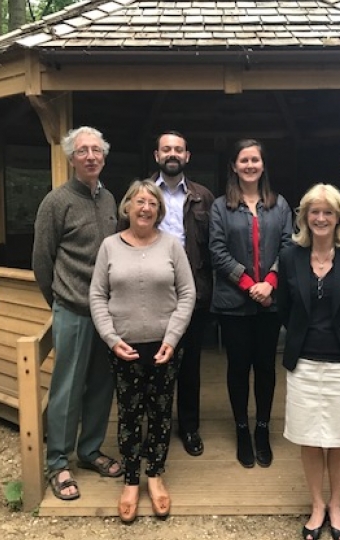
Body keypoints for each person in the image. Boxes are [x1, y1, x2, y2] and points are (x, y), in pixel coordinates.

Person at [89, 179, 196, 523]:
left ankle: (155, 474)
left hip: (165, 345)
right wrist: (110, 337)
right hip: (123, 346)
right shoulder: (109, 246)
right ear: (127, 207)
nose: (145, 207)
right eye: (139, 201)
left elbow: (187, 294)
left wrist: (173, 338)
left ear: (159, 211)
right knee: (130, 413)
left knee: (161, 411)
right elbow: (97, 296)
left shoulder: (171, 246)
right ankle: (132, 478)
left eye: (152, 202)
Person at [277, 183, 340, 540]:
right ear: (304, 217)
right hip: (303, 361)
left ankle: (336, 504)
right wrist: (306, 337)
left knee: (338, 438)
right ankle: (316, 504)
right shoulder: (290, 255)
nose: (320, 218)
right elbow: (285, 308)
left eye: (328, 212)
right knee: (308, 436)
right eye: (313, 212)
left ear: (338, 217)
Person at [32, 126, 122, 501]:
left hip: (109, 313)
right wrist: (58, 299)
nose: (90, 156)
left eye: (95, 150)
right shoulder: (56, 202)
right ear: (72, 159)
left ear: (103, 156)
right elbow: (42, 260)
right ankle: (58, 461)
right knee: (66, 388)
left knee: (102, 385)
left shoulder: (110, 199)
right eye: (82, 151)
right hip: (73, 309)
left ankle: (89, 451)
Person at [209, 138, 293, 468]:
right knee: (238, 368)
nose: (249, 165)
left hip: (270, 303)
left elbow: (288, 246)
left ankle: (262, 429)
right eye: (243, 160)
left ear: (262, 165)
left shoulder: (279, 204)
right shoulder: (220, 206)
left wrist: (270, 282)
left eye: (255, 159)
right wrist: (249, 284)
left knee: (266, 369)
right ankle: (241, 428)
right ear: (234, 165)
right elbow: (217, 251)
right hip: (234, 302)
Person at [150, 131, 215, 457]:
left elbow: (215, 248)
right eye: (166, 149)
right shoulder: (143, 194)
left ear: (187, 156)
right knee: (154, 363)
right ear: (156, 155)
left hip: (194, 294)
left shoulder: (204, 196)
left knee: (190, 365)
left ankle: (189, 426)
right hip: (151, 294)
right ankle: (156, 426)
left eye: (178, 149)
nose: (172, 154)